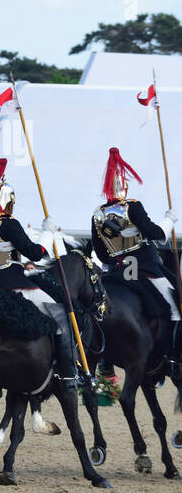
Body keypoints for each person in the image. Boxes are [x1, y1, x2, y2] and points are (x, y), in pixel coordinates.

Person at [0, 158, 85, 389]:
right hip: (15, 285)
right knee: (61, 315)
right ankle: (69, 373)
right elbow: (34, 254)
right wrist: (47, 232)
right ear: (9, 202)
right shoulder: (10, 224)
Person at [90, 146, 181, 376]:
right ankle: (175, 357)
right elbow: (155, 233)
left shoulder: (97, 215)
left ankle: (104, 362)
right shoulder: (133, 206)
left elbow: (101, 254)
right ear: (125, 183)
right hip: (146, 268)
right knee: (176, 307)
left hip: (117, 272)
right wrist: (169, 220)